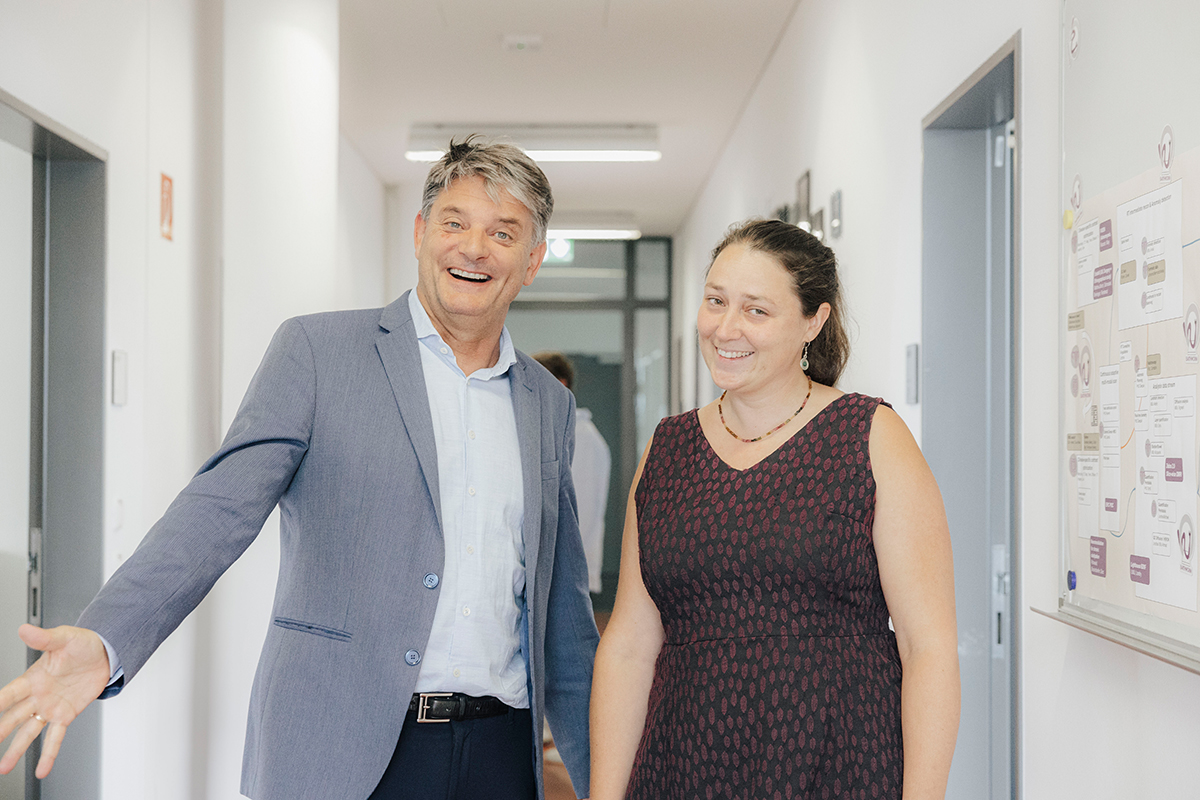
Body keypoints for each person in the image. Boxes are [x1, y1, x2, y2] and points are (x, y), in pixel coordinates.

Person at [0, 137, 599, 800]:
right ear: (422, 232)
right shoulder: (319, 353)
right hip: (340, 749)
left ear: (533, 260)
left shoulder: (549, 406)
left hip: (498, 754)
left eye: (503, 232)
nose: (474, 248)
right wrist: (108, 637)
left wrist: (608, 776)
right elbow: (216, 512)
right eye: (455, 223)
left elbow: (561, 612)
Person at [590, 219, 960, 799]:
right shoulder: (666, 450)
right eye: (716, 301)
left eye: (756, 310)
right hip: (687, 763)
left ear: (814, 320)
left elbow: (927, 645)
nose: (726, 328)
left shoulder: (869, 436)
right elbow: (631, 644)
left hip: (840, 765)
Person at [532, 352, 612, 596]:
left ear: (560, 384)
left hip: (566, 574)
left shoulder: (584, 437)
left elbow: (582, 513)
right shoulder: (549, 430)